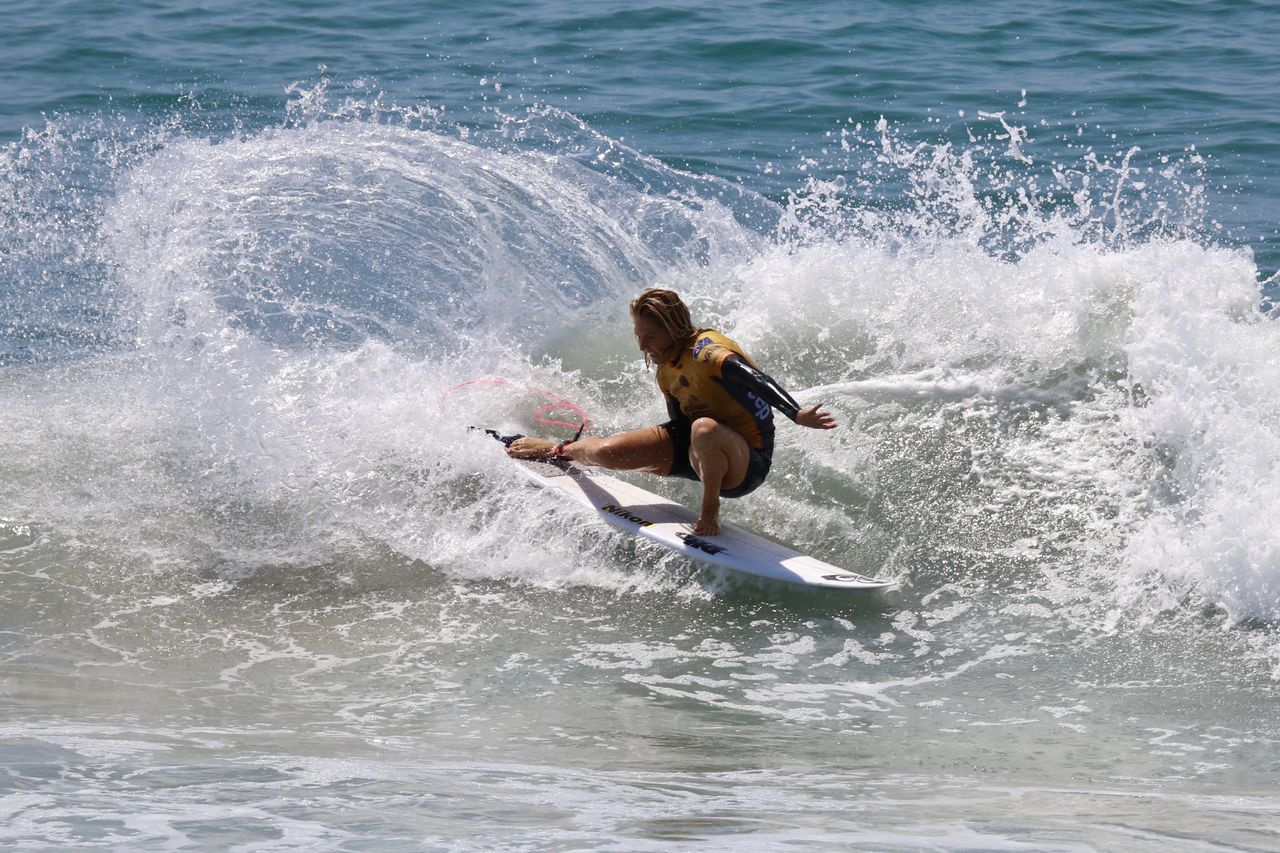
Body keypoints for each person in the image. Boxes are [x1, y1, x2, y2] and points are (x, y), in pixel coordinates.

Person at [507, 288, 836, 535]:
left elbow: (758, 380)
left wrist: (797, 414)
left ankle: (710, 514)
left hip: (747, 464)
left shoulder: (708, 352)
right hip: (700, 452)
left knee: (704, 428)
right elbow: (678, 429)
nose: (642, 346)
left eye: (650, 336)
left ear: (673, 327)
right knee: (608, 453)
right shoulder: (666, 372)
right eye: (638, 335)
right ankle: (557, 449)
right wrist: (637, 452)